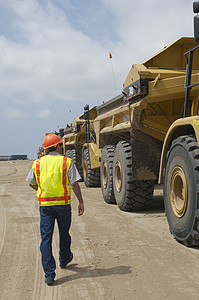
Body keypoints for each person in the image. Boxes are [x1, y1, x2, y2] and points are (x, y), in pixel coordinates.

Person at [26, 133, 84, 286]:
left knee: (46, 239)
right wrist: (81, 202)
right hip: (63, 205)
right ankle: (64, 259)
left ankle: (49, 275)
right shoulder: (66, 161)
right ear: (58, 146)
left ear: (46, 149)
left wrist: (41, 190)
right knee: (64, 234)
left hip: (45, 207)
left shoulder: (37, 163)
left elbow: (31, 182)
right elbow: (74, 184)